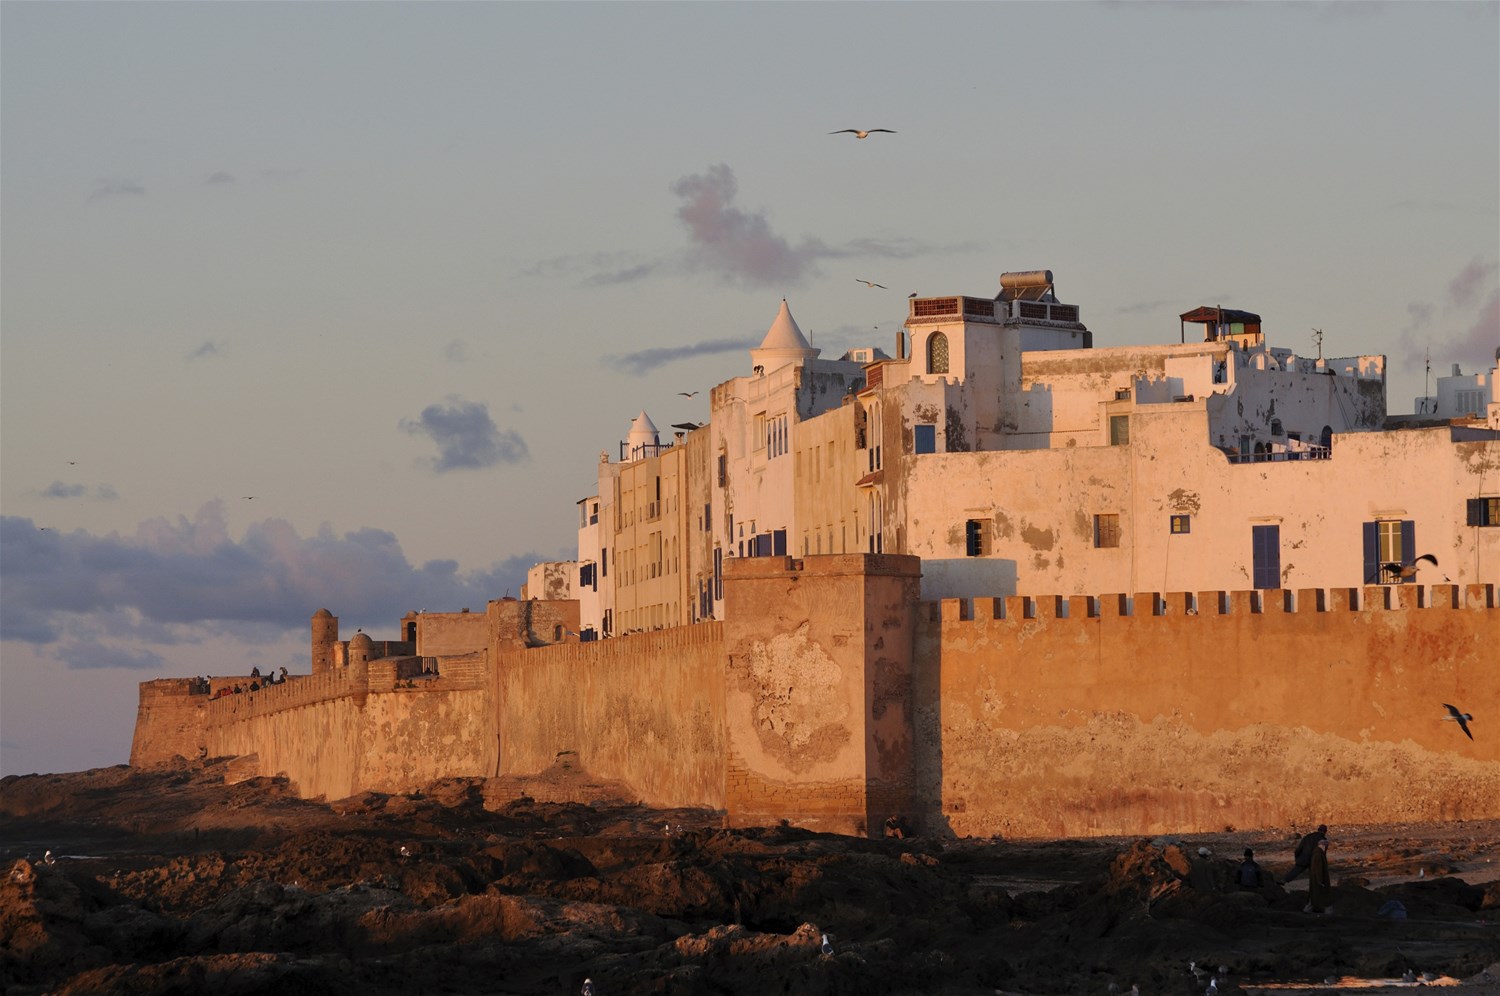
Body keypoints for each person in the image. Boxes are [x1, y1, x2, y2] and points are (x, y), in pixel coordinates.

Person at [1306, 837, 1333, 913]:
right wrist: (1320, 880)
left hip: (1316, 880)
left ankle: (1308, 909)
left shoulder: (1317, 853)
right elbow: (1318, 868)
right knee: (1322, 896)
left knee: (1314, 896)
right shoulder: (1318, 855)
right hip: (1319, 880)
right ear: (1323, 846)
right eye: (1326, 847)